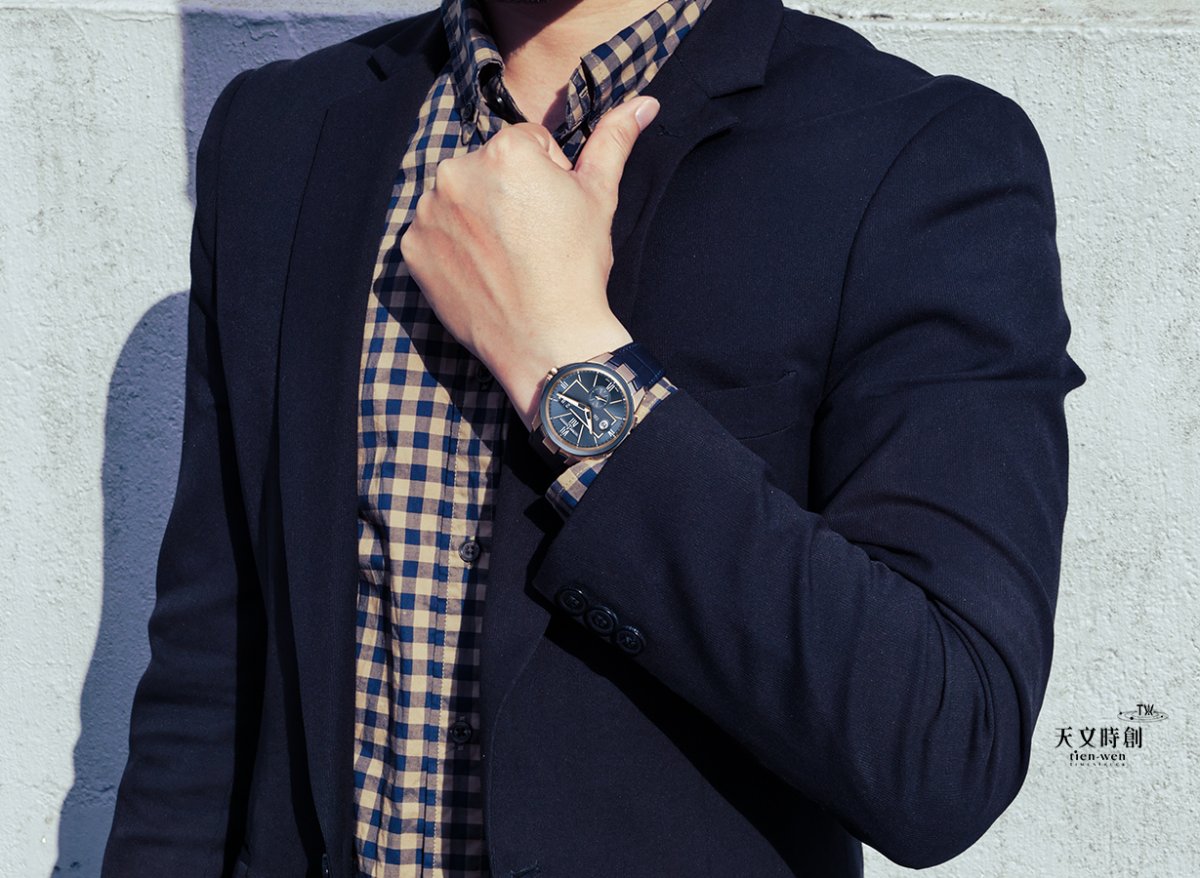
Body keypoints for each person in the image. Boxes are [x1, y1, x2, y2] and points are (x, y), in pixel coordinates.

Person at [101, 0, 1087, 874]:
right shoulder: (282, 134)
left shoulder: (916, 156)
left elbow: (942, 746)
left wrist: (569, 363)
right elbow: (209, 684)